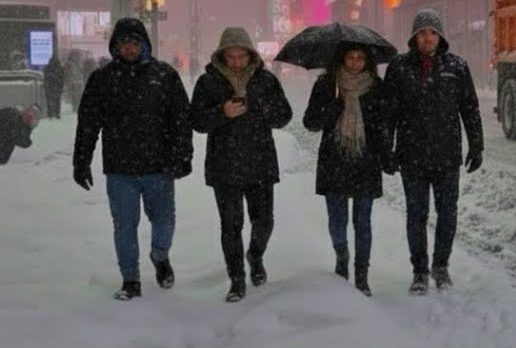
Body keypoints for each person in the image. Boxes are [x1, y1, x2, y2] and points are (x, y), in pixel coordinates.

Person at [73, 18, 192, 301]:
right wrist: (81, 161)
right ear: (115, 45)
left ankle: (159, 256)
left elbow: (181, 120)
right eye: (124, 42)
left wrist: (183, 155)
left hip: (159, 167)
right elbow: (88, 124)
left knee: (165, 223)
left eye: (135, 42)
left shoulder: (164, 75)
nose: (129, 48)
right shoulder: (102, 80)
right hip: (120, 169)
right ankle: (130, 279)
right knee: (125, 226)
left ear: (145, 44)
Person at [383, 9, 483, 295]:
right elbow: (388, 113)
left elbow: (470, 109)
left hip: (447, 155)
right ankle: (420, 271)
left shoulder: (457, 67)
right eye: (422, 33)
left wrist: (477, 146)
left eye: (432, 32)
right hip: (411, 155)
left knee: (447, 213)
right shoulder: (399, 68)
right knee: (416, 214)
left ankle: (441, 267)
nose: (428, 38)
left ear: (440, 36)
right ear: (414, 37)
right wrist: (386, 149)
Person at [189, 27, 293, 303]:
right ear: (222, 56)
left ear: (251, 55)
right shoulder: (208, 82)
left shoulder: (266, 81)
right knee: (230, 226)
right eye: (231, 56)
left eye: (241, 56)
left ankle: (255, 256)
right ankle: (237, 278)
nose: (236, 61)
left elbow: (284, 116)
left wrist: (260, 107)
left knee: (265, 221)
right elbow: (196, 121)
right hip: (224, 165)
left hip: (260, 163)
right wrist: (221, 113)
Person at [303, 44, 395, 297]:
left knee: (362, 221)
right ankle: (342, 259)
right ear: (341, 59)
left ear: (367, 61)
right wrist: (331, 108)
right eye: (350, 58)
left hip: (366, 160)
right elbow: (309, 122)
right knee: (337, 220)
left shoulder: (376, 87)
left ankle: (362, 275)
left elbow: (382, 125)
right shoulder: (326, 85)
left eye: (360, 58)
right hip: (335, 159)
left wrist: (387, 155)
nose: (355, 63)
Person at [43, 52, 64, 119]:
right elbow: (62, 78)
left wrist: (46, 84)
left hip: (49, 86)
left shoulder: (47, 68)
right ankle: (57, 113)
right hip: (57, 86)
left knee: (49, 100)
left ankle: (50, 113)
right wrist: (61, 86)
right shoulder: (60, 68)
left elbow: (45, 77)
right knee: (57, 100)